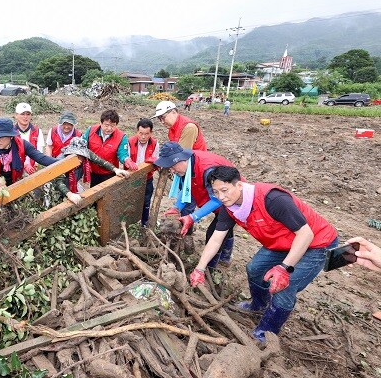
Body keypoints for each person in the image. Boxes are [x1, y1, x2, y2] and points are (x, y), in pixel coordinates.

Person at [189, 166, 338, 342]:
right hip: (281, 242)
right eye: (216, 192)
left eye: (225, 190)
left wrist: (284, 268)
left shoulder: (272, 199)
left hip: (316, 243)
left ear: (240, 185)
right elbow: (216, 239)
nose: (221, 197)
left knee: (285, 286)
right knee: (255, 269)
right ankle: (258, 305)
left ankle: (266, 332)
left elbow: (306, 234)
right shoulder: (229, 207)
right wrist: (199, 268)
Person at [154, 142, 237, 266]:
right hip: (218, 198)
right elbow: (188, 189)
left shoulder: (208, 170)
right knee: (225, 228)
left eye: (171, 166)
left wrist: (193, 217)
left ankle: (211, 267)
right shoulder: (187, 166)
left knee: (214, 234)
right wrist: (177, 207)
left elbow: (217, 200)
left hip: (232, 199)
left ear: (180, 160)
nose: (171, 171)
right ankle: (225, 258)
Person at [0, 117, 58, 188]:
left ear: (11, 136)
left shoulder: (22, 145)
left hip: (14, 182)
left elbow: (41, 158)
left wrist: (64, 161)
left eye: (1, 137)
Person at [53, 137, 130, 204]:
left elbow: (100, 161)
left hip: (73, 183)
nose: (80, 160)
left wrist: (116, 169)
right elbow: (59, 182)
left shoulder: (86, 154)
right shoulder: (61, 161)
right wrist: (69, 194)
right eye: (77, 156)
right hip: (55, 188)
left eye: (81, 156)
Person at [82, 109, 138, 187]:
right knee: (94, 192)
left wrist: (126, 160)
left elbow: (122, 153)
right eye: (106, 125)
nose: (109, 128)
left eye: (112, 126)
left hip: (110, 172)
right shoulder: (91, 130)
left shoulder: (121, 137)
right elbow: (82, 145)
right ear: (101, 123)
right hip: (93, 171)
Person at [128, 118, 160, 226]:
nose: (143, 137)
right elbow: (126, 158)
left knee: (146, 201)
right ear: (137, 131)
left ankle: (144, 222)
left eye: (146, 134)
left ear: (151, 133)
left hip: (147, 178)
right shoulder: (130, 141)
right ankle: (130, 223)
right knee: (130, 201)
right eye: (140, 133)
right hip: (131, 178)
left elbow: (156, 160)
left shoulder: (155, 144)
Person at [13, 102, 45, 174]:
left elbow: (40, 151)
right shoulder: (11, 132)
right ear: (16, 115)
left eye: (28, 114)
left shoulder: (37, 131)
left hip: (33, 170)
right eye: (22, 114)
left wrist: (37, 164)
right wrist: (25, 165)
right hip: (16, 169)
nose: (25, 117)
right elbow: (11, 154)